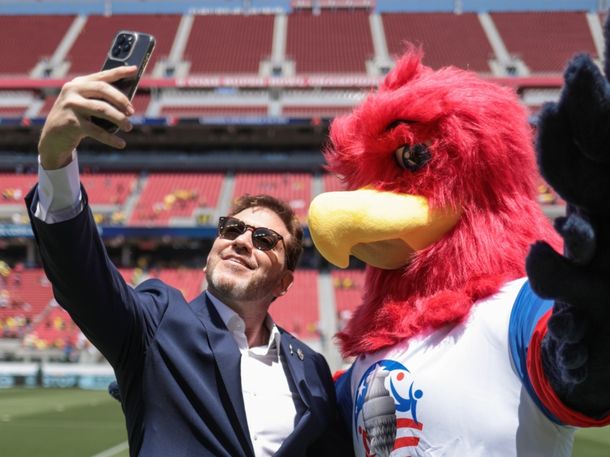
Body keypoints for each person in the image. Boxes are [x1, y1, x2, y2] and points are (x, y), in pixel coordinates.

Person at [25, 66, 352, 457]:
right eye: (231, 229)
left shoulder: (310, 366)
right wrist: (56, 159)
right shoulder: (156, 324)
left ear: (284, 282)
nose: (242, 241)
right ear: (210, 252)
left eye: (264, 239)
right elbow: (82, 277)